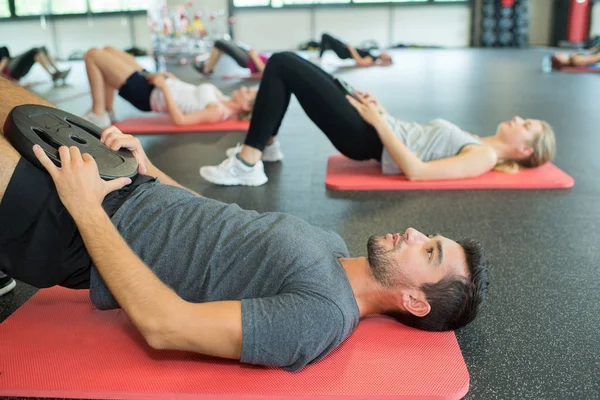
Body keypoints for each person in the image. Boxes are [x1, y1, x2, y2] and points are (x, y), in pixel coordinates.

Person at [0, 76, 488, 371]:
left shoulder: (321, 316)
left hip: (76, 230)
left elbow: (165, 326)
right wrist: (150, 169)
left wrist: (85, 209)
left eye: (429, 252)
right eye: (431, 238)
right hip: (126, 185)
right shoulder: (332, 244)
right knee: (9, 96)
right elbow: (215, 218)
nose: (417, 235)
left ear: (413, 302)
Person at [200, 52, 555, 186]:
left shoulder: (484, 156)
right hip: (376, 126)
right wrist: (381, 111)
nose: (518, 117)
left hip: (366, 139)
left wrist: (377, 121)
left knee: (282, 64)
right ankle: (267, 145)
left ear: (524, 150)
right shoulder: (480, 141)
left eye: (527, 125)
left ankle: (249, 161)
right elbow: (418, 139)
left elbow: (417, 172)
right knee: (298, 66)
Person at [82, 46, 257, 129]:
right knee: (109, 50)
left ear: (246, 106)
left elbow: (180, 120)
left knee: (93, 56)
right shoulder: (223, 99)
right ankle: (109, 111)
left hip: (147, 95)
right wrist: (172, 79)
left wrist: (165, 87)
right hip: (157, 83)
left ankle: (98, 114)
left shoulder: (218, 112)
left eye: (248, 92)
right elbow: (190, 94)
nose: (244, 89)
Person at [194, 39, 269, 76]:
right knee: (219, 47)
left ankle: (207, 69)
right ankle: (208, 68)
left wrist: (254, 56)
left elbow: (264, 71)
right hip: (250, 56)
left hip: (248, 60)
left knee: (219, 43)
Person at [0, 45, 71, 84]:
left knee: (43, 49)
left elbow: (6, 59)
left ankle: (57, 72)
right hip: (11, 70)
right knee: (35, 51)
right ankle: (53, 75)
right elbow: (5, 60)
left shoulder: (3, 48)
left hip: (12, 65)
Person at [317, 33, 393, 67]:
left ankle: (320, 57)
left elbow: (360, 62)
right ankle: (320, 55)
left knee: (325, 36)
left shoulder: (372, 58)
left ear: (384, 58)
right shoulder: (373, 56)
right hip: (346, 50)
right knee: (328, 40)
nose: (384, 53)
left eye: (386, 55)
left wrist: (352, 49)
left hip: (344, 53)